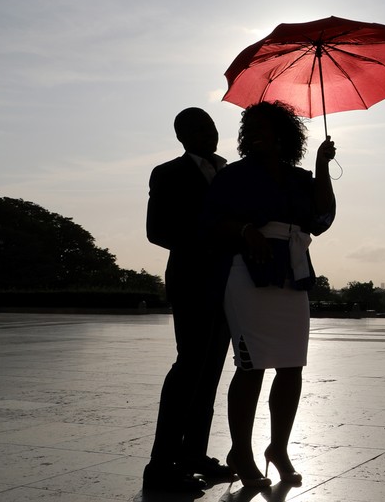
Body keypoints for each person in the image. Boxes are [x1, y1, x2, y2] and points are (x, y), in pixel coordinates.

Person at [205, 101, 336, 488]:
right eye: (252, 128)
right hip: (247, 271)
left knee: (291, 366)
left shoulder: (298, 178)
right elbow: (211, 220)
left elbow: (322, 218)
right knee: (251, 366)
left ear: (284, 134)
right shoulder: (233, 175)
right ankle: (240, 452)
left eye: (265, 127)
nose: (256, 134)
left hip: (291, 273)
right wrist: (246, 230)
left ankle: (278, 448)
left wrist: (323, 166)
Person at [143, 107, 233, 493]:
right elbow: (157, 230)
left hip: (229, 283)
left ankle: (194, 454)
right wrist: (209, 239)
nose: (207, 134)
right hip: (193, 280)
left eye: (210, 127)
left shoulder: (230, 173)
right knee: (189, 369)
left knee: (210, 371)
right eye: (198, 129)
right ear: (182, 137)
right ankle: (161, 464)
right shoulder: (168, 173)